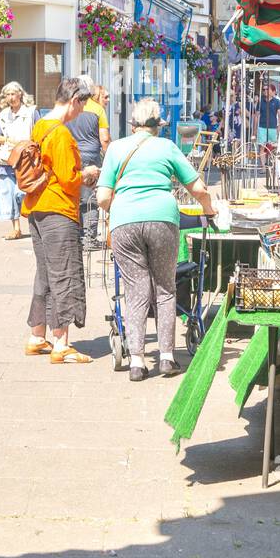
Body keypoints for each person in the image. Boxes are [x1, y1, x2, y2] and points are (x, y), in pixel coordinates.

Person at [96, 98, 216, 382]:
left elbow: (102, 197)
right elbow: (198, 188)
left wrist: (125, 206)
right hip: (162, 219)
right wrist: (209, 209)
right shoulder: (167, 147)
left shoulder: (115, 148)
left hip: (125, 222)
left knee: (136, 292)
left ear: (133, 125)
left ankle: (137, 361)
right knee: (165, 287)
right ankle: (166, 357)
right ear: (157, 127)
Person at [22, 78, 100, 363]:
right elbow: (69, 180)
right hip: (58, 211)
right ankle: (61, 344)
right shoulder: (62, 135)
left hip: (36, 209)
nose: (82, 112)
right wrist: (89, 173)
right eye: (82, 105)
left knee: (44, 274)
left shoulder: (40, 126)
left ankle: (36, 336)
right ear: (74, 100)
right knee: (64, 273)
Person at [0, 81, 36, 240]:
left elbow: (37, 132)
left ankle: (34, 226)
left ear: (20, 94)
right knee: (9, 195)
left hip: (26, 159)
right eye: (8, 95)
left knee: (25, 193)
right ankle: (16, 228)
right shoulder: (3, 115)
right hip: (8, 160)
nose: (11, 98)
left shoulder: (31, 112)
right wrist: (8, 139)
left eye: (13, 94)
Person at [67, 74, 105, 251]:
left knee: (75, 196)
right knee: (90, 199)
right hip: (91, 157)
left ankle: (75, 237)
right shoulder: (97, 109)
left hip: (72, 155)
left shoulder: (70, 107)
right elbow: (104, 138)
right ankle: (89, 239)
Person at [257, 82, 280, 165]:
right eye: (263, 89)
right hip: (262, 127)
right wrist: (254, 129)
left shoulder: (277, 101)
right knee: (262, 147)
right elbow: (256, 116)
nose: (265, 91)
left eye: (267, 89)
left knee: (273, 147)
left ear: (273, 91)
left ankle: (272, 166)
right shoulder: (260, 102)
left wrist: (279, 126)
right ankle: (263, 167)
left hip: (272, 127)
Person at [84, 83, 111, 152]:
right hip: (92, 154)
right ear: (97, 97)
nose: (108, 100)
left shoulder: (80, 106)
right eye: (106, 97)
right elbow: (105, 139)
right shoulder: (99, 110)